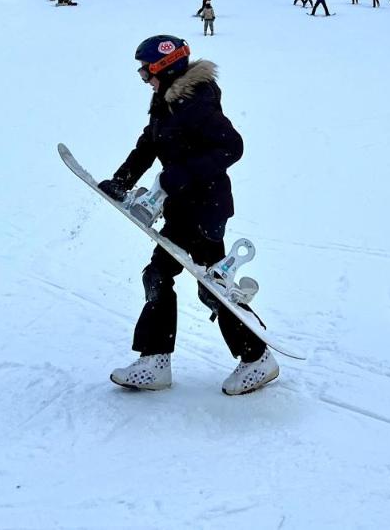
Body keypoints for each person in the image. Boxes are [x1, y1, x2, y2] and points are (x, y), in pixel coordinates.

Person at [97, 36, 277, 395]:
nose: (144, 78)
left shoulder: (196, 103)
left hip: (205, 207)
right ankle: (156, 360)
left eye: (145, 71)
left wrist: (183, 173)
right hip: (181, 206)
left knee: (210, 286)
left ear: (164, 67)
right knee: (163, 275)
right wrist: (122, 179)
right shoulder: (166, 103)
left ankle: (257, 356)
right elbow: (149, 143)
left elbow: (232, 146)